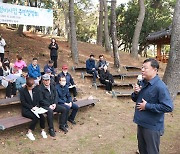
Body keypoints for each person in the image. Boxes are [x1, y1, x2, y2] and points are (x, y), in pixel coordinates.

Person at [131, 58, 173, 154]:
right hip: (141, 123)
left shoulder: (160, 87)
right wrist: (136, 93)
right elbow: (135, 99)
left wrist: (147, 106)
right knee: (142, 150)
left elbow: (168, 107)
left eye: (145, 68)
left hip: (152, 127)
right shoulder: (143, 83)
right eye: (142, 67)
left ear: (155, 70)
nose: (142, 70)